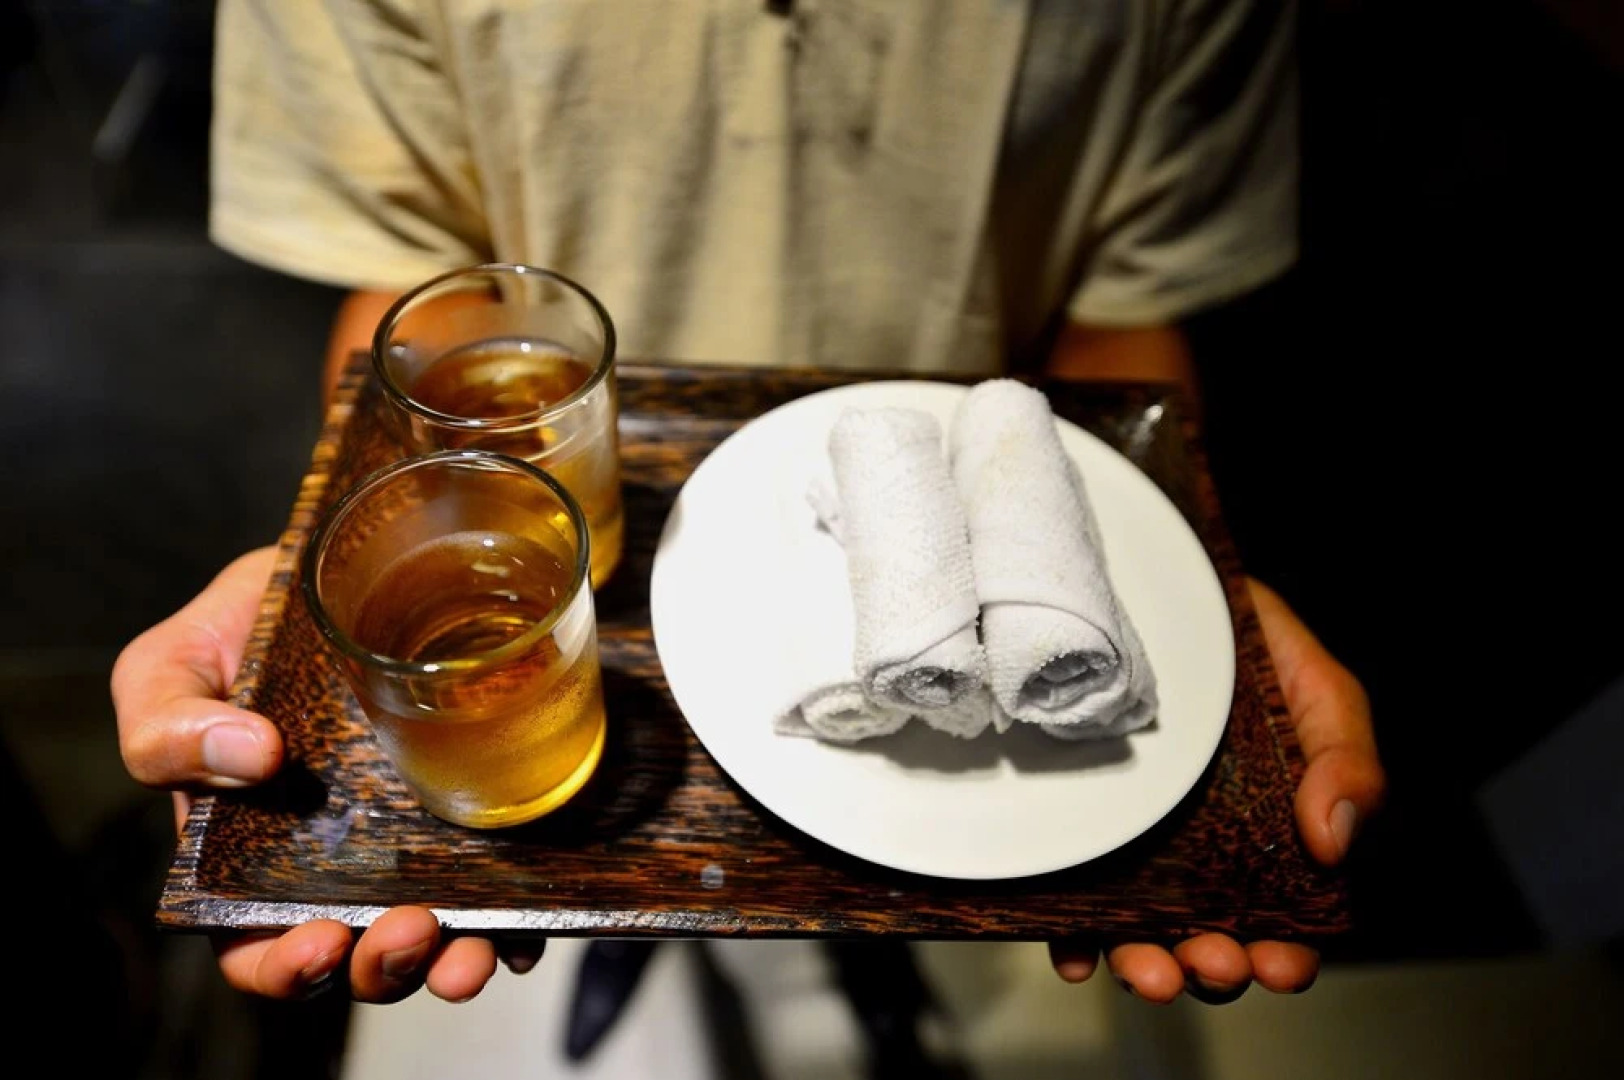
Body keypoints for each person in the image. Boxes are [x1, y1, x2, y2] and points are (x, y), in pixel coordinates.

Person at [111, 0, 1384, 1015]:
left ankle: (877, 990)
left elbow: (1122, 311)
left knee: (928, 950)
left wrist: (1158, 583)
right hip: (587, 549)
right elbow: (416, 293)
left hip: (974, 724)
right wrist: (344, 594)